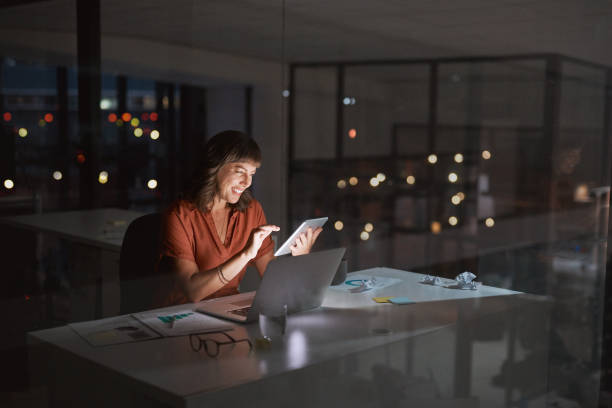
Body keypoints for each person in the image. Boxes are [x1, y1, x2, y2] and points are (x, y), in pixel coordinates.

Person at [157, 130, 322, 305]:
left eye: (251, 174)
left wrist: (301, 258)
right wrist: (246, 254)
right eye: (239, 171)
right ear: (215, 168)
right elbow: (193, 292)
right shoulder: (178, 215)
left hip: (226, 309)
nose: (247, 182)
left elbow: (274, 281)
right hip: (180, 317)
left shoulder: (252, 210)